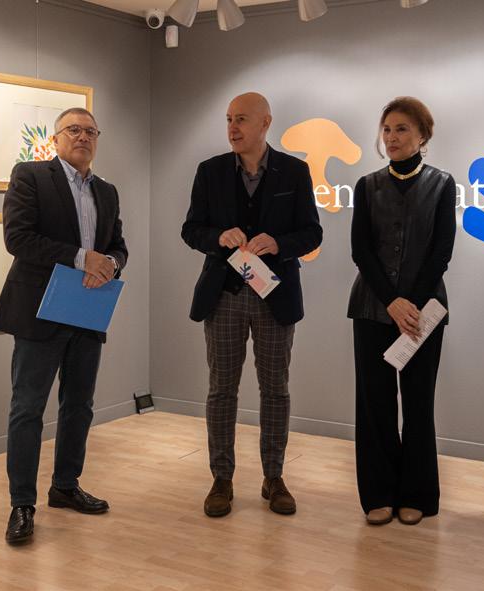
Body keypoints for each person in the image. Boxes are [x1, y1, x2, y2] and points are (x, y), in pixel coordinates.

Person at [181, 92, 322, 518]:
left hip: (275, 297)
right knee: (221, 390)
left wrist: (279, 243)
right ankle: (221, 478)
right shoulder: (209, 171)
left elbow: (312, 233)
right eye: (228, 119)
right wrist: (217, 237)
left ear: (265, 123)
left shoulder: (294, 171)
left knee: (275, 390)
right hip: (224, 295)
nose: (232, 127)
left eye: (241, 119)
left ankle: (273, 477)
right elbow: (191, 229)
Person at [0, 107, 128, 544]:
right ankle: (21, 504)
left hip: (87, 309)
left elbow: (118, 246)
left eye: (90, 131)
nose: (83, 137)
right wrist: (80, 257)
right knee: (28, 408)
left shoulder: (106, 191)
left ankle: (65, 486)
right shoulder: (31, 176)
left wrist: (110, 263)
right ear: (56, 139)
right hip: (39, 310)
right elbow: (17, 238)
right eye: (74, 130)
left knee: (79, 405)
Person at [347, 97, 456, 526]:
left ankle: (417, 494)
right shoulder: (367, 185)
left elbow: (441, 252)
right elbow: (361, 251)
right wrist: (391, 301)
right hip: (371, 309)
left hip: (424, 312)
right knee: (374, 405)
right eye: (387, 129)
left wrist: (410, 302)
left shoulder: (442, 184)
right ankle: (378, 494)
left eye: (402, 129)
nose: (391, 137)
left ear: (422, 136)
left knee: (418, 403)